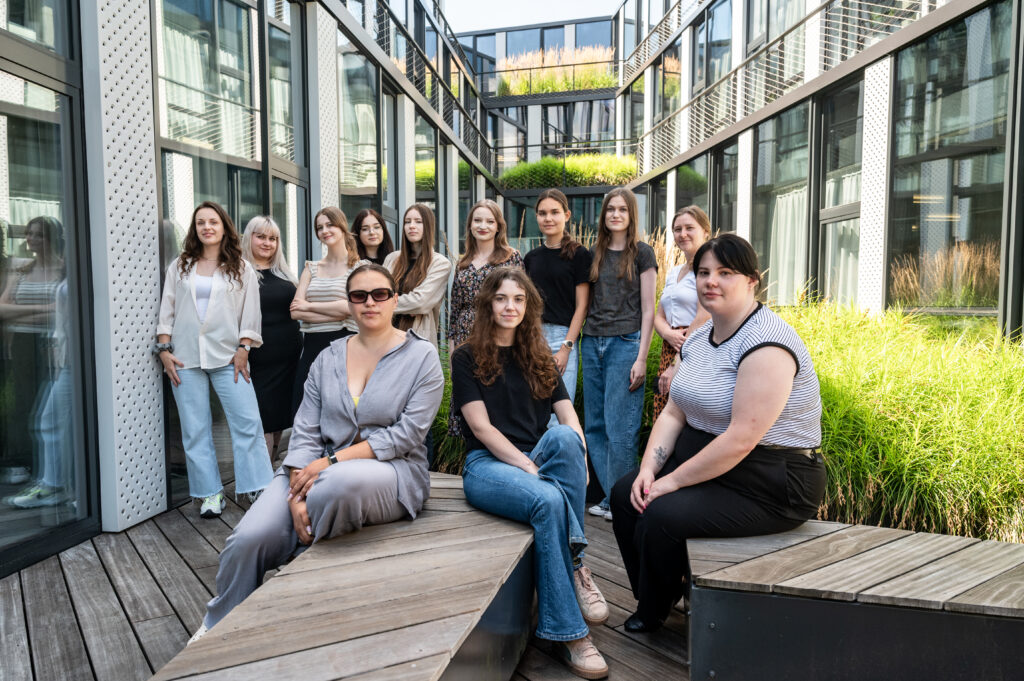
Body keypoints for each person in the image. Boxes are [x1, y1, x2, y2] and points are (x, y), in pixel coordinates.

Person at [189, 263, 444, 643]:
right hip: (310, 468)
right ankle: (218, 625)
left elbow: (406, 436)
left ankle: (295, 576)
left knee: (335, 486)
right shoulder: (327, 357)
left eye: (379, 294)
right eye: (359, 296)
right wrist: (295, 491)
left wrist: (331, 462)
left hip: (390, 470)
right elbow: (305, 428)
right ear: (349, 304)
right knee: (249, 538)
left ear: (394, 300)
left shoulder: (421, 358)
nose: (369, 303)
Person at [610, 234, 826, 633]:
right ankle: (658, 592)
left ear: (751, 281)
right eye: (704, 272)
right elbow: (674, 411)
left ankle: (653, 610)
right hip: (714, 460)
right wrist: (647, 472)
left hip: (772, 479)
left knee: (660, 514)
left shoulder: (767, 343)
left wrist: (669, 483)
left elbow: (742, 438)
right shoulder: (700, 337)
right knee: (626, 496)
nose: (711, 281)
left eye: (725, 273)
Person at [453, 268, 609, 680]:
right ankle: (572, 633)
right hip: (487, 465)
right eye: (502, 298)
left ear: (528, 306)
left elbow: (567, 414)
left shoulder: (539, 355)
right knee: (549, 498)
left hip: (537, 455)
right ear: (489, 304)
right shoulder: (466, 357)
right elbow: (482, 429)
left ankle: (573, 564)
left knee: (566, 439)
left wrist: (581, 452)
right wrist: (528, 467)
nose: (510, 306)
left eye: (519, 299)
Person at [156, 202, 273, 518]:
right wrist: (164, 350)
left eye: (213, 221)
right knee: (195, 429)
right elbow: (167, 309)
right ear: (195, 229)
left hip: (228, 356)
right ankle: (209, 494)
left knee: (247, 422)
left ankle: (256, 486)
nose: (207, 227)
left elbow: (251, 312)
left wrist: (244, 347)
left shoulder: (241, 267)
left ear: (224, 227)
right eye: (200, 223)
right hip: (184, 358)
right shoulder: (180, 266)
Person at [582, 188, 657, 522]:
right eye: (610, 209)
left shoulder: (642, 253)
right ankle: (614, 499)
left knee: (620, 429)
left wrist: (641, 357)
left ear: (631, 215)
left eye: (621, 210)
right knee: (595, 427)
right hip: (591, 342)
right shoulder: (593, 253)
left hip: (624, 344)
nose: (615, 215)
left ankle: (624, 502)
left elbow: (648, 310)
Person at [447, 199, 522, 438]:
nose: (483, 226)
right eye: (477, 220)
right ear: (469, 225)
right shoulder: (463, 263)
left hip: (497, 333)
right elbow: (455, 308)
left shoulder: (511, 258)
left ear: (498, 226)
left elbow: (521, 300)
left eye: (489, 221)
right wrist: (452, 349)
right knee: (469, 394)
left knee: (496, 394)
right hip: (465, 335)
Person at [0, 216, 64, 498]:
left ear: (51, 237)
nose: (30, 239)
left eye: (37, 234)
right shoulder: (21, 270)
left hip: (53, 344)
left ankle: (51, 473)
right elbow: (2, 310)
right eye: (28, 234)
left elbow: (63, 309)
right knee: (25, 404)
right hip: (24, 344)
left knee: (50, 408)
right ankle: (28, 465)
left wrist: (25, 310)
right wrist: (44, 309)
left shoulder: (64, 270)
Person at [290, 206, 365, 415]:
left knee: (340, 410)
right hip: (312, 345)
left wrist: (310, 306)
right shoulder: (311, 267)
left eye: (330, 224)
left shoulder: (359, 268)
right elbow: (295, 312)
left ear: (342, 226)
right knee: (304, 409)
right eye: (319, 227)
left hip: (345, 344)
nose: (325, 230)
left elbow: (350, 308)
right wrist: (336, 310)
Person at [524, 189, 591, 420]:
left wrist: (566, 348)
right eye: (542, 213)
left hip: (564, 338)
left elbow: (582, 307)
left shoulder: (579, 254)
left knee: (560, 410)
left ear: (567, 215)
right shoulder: (531, 258)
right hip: (533, 338)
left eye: (554, 212)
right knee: (533, 409)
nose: (548, 218)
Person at [241, 216, 302, 463]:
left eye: (273, 238)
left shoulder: (285, 273)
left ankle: (271, 465)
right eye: (261, 237)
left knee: (279, 418)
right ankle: (262, 479)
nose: (267, 243)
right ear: (249, 238)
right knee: (263, 418)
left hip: (289, 357)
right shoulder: (239, 272)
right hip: (258, 358)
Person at [652, 206, 712, 421]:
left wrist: (677, 360)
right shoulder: (675, 271)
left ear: (705, 231)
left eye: (689, 228)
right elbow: (659, 315)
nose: (682, 234)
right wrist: (668, 334)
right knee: (663, 410)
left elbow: (704, 317)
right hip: (671, 345)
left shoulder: (709, 269)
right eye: (677, 229)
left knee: (684, 413)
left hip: (694, 348)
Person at [383, 204, 452, 349]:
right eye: (407, 222)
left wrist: (384, 304)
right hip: (384, 336)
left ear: (428, 225)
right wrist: (407, 306)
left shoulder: (440, 263)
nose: (411, 226)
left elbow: (421, 302)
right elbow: (378, 292)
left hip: (416, 339)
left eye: (418, 222)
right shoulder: (392, 259)